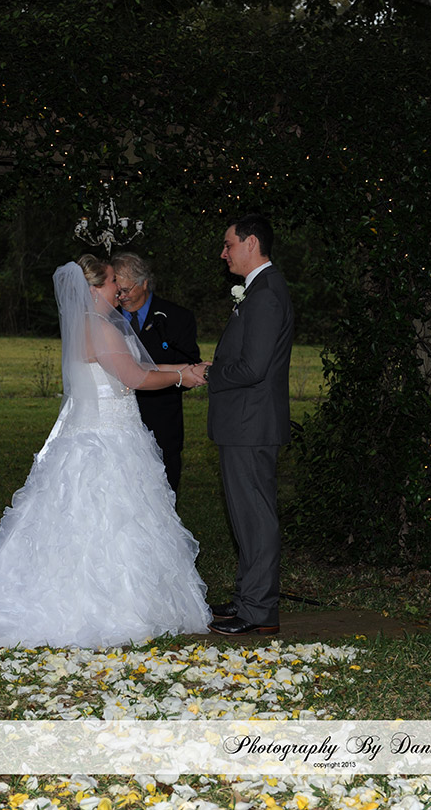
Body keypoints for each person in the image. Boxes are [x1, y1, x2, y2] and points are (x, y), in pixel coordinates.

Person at [0, 256, 211, 666]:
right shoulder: (100, 327)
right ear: (94, 289)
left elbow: (141, 366)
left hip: (112, 435)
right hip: (105, 443)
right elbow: (136, 378)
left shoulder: (93, 325)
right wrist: (181, 378)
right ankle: (106, 607)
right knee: (107, 522)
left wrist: (188, 368)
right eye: (113, 282)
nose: (119, 289)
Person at [197, 214, 294, 636]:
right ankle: (246, 598)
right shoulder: (258, 290)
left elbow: (254, 368)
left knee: (255, 517)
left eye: (228, 245)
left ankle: (258, 611)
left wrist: (211, 373)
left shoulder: (266, 294)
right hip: (244, 423)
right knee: (245, 516)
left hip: (251, 424)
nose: (224, 254)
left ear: (251, 243)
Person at [111, 252, 200, 493]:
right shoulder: (106, 319)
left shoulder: (178, 317)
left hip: (162, 422)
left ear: (144, 283)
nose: (121, 297)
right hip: (117, 425)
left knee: (162, 496)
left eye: (126, 290)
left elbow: (189, 364)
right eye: (117, 291)